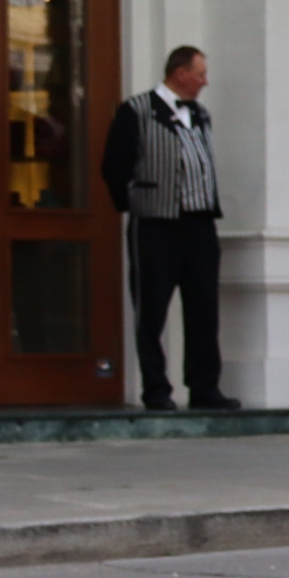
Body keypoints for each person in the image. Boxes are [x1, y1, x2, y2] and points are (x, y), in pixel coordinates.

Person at [101, 45, 237, 410]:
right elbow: (114, 166)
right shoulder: (137, 110)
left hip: (200, 223)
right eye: (200, 74)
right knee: (152, 310)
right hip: (156, 225)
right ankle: (156, 390)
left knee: (204, 308)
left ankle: (204, 387)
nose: (205, 81)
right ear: (180, 74)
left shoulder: (200, 114)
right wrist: (137, 202)